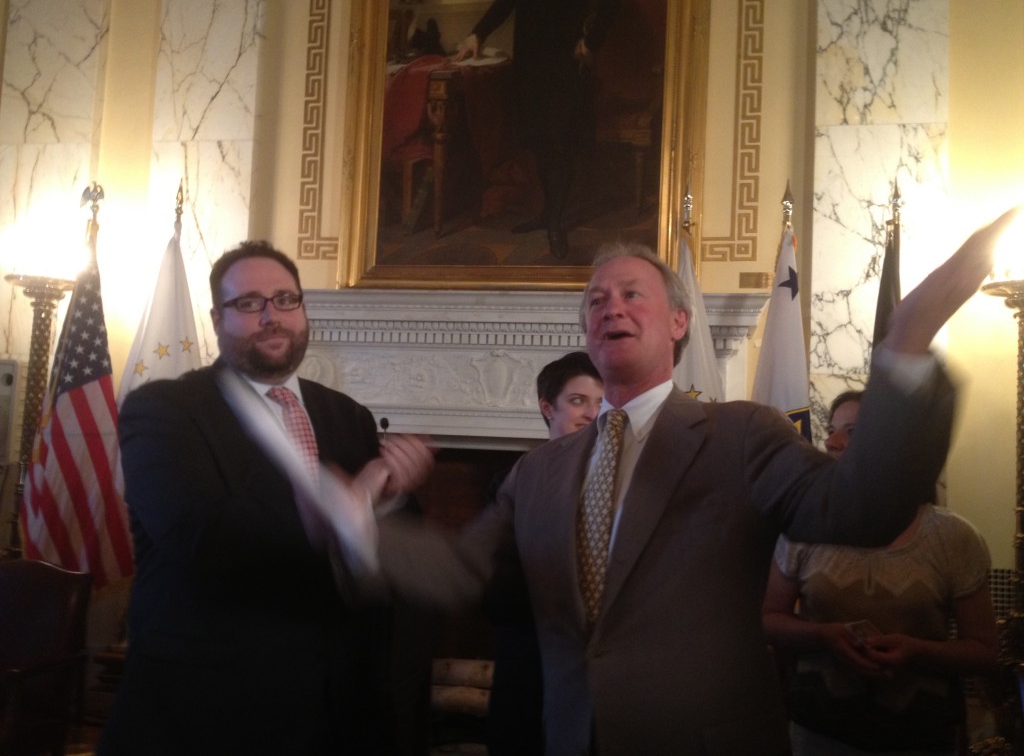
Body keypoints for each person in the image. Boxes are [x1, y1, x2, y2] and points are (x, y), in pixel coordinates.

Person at [304, 206, 1022, 755]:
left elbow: (860, 510)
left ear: (679, 322)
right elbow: (457, 573)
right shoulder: (539, 471)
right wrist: (359, 520)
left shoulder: (741, 435)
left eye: (631, 294)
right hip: (571, 738)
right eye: (595, 299)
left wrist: (907, 344)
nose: (609, 305)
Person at [99, 241, 434, 755]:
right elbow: (201, 536)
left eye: (286, 300)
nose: (272, 317)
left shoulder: (348, 417)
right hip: (207, 710)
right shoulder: (164, 412)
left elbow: (375, 549)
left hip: (332, 710)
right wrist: (349, 502)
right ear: (217, 318)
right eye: (250, 303)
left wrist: (390, 497)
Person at [762, 389, 998, 755]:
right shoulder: (803, 528)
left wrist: (916, 652)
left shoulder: (952, 537)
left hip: (922, 737)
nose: (832, 442)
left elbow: (984, 651)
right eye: (833, 429)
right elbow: (767, 618)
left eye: (853, 432)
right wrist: (824, 635)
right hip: (821, 733)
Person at [485, 350, 603, 756]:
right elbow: (494, 592)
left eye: (601, 402)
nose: (592, 413)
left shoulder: (619, 489)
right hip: (529, 666)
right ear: (547, 408)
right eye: (578, 401)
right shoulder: (514, 482)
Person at [454, 0, 620, 260]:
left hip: (565, 65)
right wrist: (478, 34)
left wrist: (591, 42)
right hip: (530, 67)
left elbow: (611, 0)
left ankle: (555, 222)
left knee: (559, 143)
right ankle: (547, 213)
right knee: (538, 142)